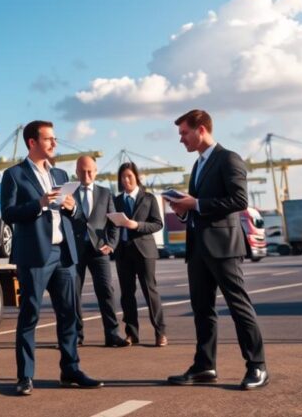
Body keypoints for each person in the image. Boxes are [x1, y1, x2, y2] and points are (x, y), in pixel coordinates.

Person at [166, 109, 268, 390]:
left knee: (238, 306)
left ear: (201, 130)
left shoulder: (229, 158)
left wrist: (195, 204)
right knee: (202, 309)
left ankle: (257, 366)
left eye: (184, 133)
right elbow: (198, 205)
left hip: (223, 247)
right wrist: (184, 209)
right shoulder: (198, 166)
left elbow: (238, 200)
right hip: (198, 248)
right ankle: (204, 366)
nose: (181, 139)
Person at [1, 120, 103, 396]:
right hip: (34, 255)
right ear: (32, 143)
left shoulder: (60, 174)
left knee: (69, 314)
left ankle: (71, 370)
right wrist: (40, 204)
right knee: (30, 315)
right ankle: (25, 377)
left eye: (54, 138)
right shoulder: (14, 175)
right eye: (48, 139)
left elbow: (78, 214)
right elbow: (8, 214)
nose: (54, 144)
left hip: (64, 253)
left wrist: (71, 207)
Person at [70, 156, 129, 348]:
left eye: (90, 171)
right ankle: (76, 337)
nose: (86, 175)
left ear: (95, 172)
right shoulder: (68, 193)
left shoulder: (105, 193)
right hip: (75, 251)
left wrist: (111, 244)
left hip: (100, 250)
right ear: (76, 172)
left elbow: (114, 223)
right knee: (73, 295)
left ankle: (112, 335)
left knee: (106, 292)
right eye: (82, 171)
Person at [112, 162, 167, 347]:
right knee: (127, 295)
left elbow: (158, 224)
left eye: (129, 176)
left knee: (150, 292)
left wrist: (138, 226)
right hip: (123, 252)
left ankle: (160, 332)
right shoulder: (116, 200)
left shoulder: (148, 198)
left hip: (145, 252)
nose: (126, 180)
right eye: (123, 177)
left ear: (136, 177)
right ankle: (131, 334)